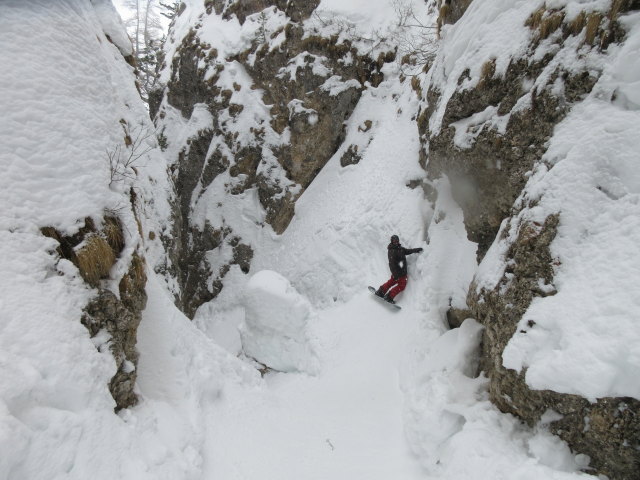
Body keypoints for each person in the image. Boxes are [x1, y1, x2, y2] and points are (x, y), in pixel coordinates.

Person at [375, 235, 423, 304]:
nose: (396, 242)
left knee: (391, 282)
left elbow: (407, 251)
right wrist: (397, 274)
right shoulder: (393, 251)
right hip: (400, 273)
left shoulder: (399, 249)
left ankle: (381, 292)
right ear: (392, 241)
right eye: (394, 241)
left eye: (397, 241)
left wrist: (416, 250)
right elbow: (392, 264)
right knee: (401, 286)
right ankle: (389, 296)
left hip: (397, 273)